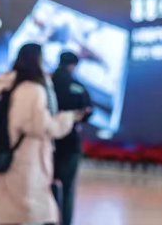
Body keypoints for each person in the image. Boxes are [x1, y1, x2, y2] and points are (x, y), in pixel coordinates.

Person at [0, 43, 81, 225]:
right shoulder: (32, 90)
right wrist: (67, 118)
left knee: (13, 211)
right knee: (31, 212)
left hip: (12, 155)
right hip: (28, 161)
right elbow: (40, 126)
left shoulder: (11, 85)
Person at [52, 52, 93, 225]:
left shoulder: (48, 84)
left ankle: (50, 219)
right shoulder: (78, 86)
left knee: (49, 187)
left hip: (49, 143)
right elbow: (88, 111)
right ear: (73, 65)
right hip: (70, 144)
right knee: (68, 190)